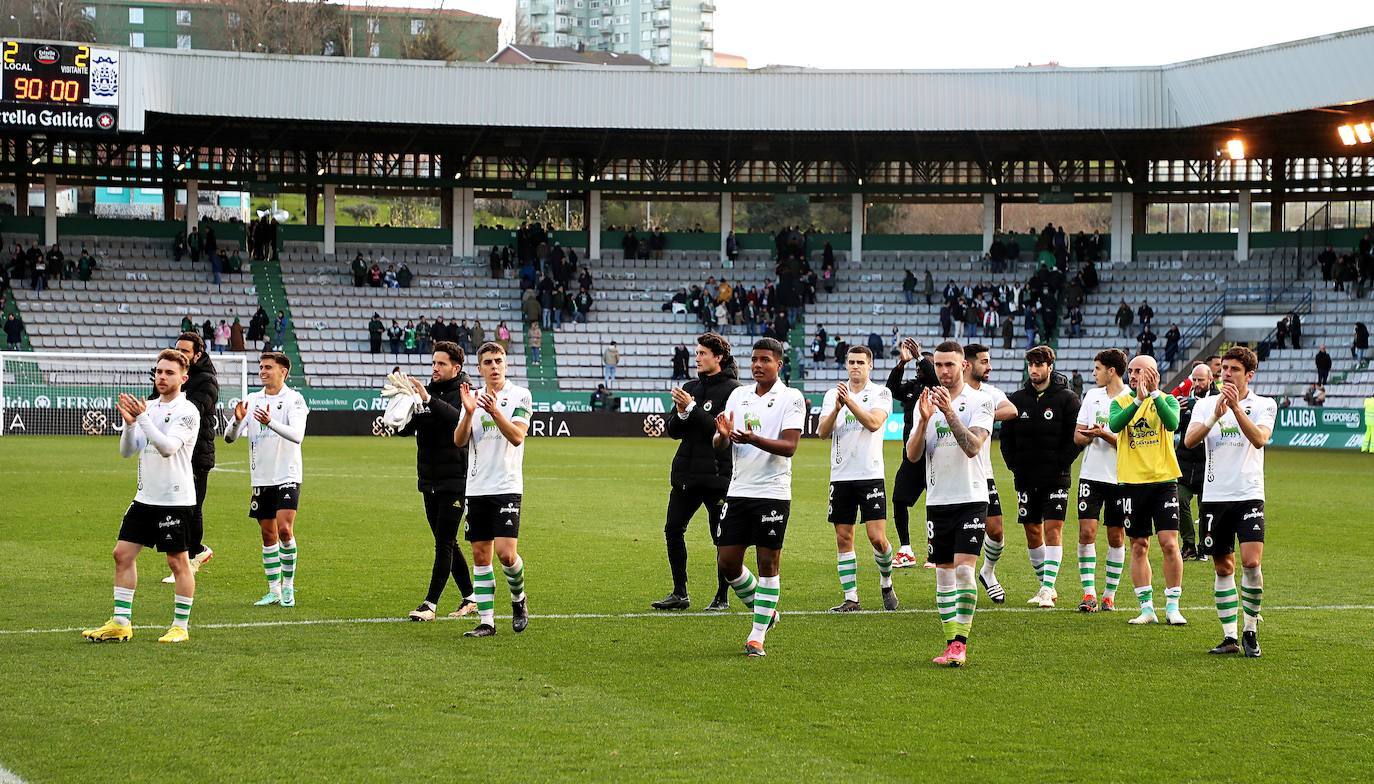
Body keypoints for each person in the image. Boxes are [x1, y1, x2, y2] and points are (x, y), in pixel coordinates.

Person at [82, 350, 201, 644]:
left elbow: (168, 447)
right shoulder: (149, 407)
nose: (162, 377)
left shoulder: (188, 412)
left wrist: (143, 418)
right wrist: (131, 424)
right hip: (145, 497)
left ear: (183, 378)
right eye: (159, 371)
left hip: (175, 499)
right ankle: (121, 623)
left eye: (169, 372)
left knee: (177, 562)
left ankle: (180, 627)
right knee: (121, 555)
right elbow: (127, 450)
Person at [713, 338, 805, 657]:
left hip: (773, 493)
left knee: (767, 562)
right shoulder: (738, 395)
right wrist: (722, 436)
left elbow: (790, 447)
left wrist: (753, 438)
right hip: (739, 490)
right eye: (754, 359)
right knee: (727, 563)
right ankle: (767, 613)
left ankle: (756, 636)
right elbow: (719, 444)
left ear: (778, 364)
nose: (757, 365)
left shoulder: (791, 398)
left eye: (765, 359)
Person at [905, 340, 994, 667]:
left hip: (970, 498)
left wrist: (948, 412)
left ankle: (960, 643)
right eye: (938, 365)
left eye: (949, 365)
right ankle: (949, 643)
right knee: (943, 577)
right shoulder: (925, 402)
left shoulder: (981, 402)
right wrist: (925, 420)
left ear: (963, 366)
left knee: (963, 572)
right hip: (938, 500)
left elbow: (972, 447)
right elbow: (913, 455)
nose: (943, 371)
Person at [1183, 346, 1276, 658]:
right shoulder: (1206, 405)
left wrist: (1236, 409)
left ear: (1249, 374)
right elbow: (1189, 440)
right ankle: (1229, 637)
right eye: (1223, 368)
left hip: (1248, 493)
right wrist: (1214, 415)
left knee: (1251, 561)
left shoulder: (1264, 405)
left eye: (1234, 369)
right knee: (1223, 567)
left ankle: (1250, 628)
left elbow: (1260, 439)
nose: (1226, 374)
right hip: (1215, 496)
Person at [651, 333, 741, 612]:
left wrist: (691, 407)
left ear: (719, 357)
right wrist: (680, 412)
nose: (697, 358)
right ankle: (680, 592)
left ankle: (721, 597)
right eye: (697, 353)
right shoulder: (691, 387)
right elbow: (674, 432)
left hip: (717, 476)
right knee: (672, 530)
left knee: (721, 538)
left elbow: (719, 430)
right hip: (686, 476)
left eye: (703, 353)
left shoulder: (734, 391)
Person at [452, 342, 533, 638]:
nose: (494, 366)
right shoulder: (471, 397)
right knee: (480, 554)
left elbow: (517, 437)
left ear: (507, 364)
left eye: (498, 360)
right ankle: (487, 621)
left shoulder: (520, 395)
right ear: (480, 368)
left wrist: (495, 411)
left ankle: (518, 599)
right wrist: (471, 413)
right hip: (476, 487)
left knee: (505, 554)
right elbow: (460, 440)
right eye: (488, 362)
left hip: (507, 486)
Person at [400, 342, 478, 621]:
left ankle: (429, 604)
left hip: (455, 479)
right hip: (429, 477)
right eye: (433, 363)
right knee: (446, 541)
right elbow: (407, 429)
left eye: (441, 364)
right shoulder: (428, 392)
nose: (435, 368)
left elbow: (458, 419)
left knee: (444, 542)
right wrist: (400, 407)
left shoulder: (465, 393)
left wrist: (427, 400)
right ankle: (471, 597)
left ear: (456, 368)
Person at [818, 345, 899, 613]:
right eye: (851, 362)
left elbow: (874, 423)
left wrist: (849, 403)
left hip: (870, 474)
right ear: (846, 365)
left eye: (861, 362)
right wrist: (836, 408)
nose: (855, 366)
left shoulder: (881, 393)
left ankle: (886, 582)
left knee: (877, 538)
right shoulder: (833, 395)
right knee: (844, 537)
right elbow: (821, 432)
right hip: (841, 476)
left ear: (870, 365)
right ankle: (851, 598)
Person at [224, 352, 309, 608]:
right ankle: (273, 590)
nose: (263, 371)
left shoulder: (294, 400)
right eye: (261, 367)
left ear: (283, 372)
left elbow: (297, 436)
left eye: (268, 367)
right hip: (261, 476)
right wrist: (238, 421)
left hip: (287, 474)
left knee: (284, 529)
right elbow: (229, 438)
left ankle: (288, 587)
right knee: (268, 534)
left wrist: (269, 421)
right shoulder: (252, 399)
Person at [1000, 345, 1081, 608]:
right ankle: (1046, 585)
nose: (1034, 370)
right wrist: (1014, 465)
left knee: (1053, 529)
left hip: (1056, 477)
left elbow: (1075, 439)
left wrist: (1061, 463)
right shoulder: (1017, 399)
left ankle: (1047, 589)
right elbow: (1006, 439)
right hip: (1025, 477)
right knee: (1032, 532)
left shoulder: (1068, 399)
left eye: (1039, 365)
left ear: (1049, 367)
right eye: (1030, 365)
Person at [1109, 354, 1186, 626]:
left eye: (1138, 371)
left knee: (1169, 543)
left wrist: (1153, 395)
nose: (1132, 375)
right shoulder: (1120, 402)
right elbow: (1115, 425)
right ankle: (1146, 608)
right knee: (1139, 545)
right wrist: (1139, 400)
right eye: (1130, 371)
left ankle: (1173, 606)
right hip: (1132, 483)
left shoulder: (1168, 400)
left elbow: (1173, 423)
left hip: (1164, 482)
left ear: (1153, 374)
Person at [155, 332, 219, 585]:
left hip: (197, 452)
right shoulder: (171, 374)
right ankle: (196, 552)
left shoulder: (206, 380)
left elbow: (191, 410)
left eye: (186, 351)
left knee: (191, 507)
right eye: (177, 349)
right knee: (174, 506)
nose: (180, 354)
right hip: (174, 450)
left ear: (197, 355)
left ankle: (190, 558)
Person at [1073, 349, 1129, 612]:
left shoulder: (1131, 399)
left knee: (1116, 536)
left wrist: (1103, 434)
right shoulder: (1092, 396)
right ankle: (1088, 594)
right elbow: (1077, 437)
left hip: (1120, 479)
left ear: (1111, 371)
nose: (1093, 373)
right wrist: (1088, 436)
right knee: (1087, 533)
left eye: (1097, 368)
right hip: (1091, 476)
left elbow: (1132, 446)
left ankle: (1109, 594)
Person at [963, 344, 1019, 603]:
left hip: (983, 473)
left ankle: (988, 571)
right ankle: (958, 583)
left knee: (995, 531)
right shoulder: (954, 393)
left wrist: (982, 416)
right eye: (984, 362)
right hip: (952, 476)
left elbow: (1012, 410)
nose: (990, 366)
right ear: (968, 364)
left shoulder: (989, 392)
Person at [886, 339, 938, 568]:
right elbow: (891, 389)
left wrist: (920, 357)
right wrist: (901, 364)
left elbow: (934, 378)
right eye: (918, 367)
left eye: (923, 366)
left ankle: (937, 552)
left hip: (936, 456)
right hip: (911, 454)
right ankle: (906, 549)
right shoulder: (912, 388)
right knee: (898, 499)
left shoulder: (939, 389)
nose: (919, 370)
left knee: (937, 503)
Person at [1175, 363, 1217, 562]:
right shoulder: (1182, 400)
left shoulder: (1218, 399)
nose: (1198, 383)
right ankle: (1189, 544)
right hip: (1184, 462)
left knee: (1205, 508)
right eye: (1195, 379)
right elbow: (1172, 428)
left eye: (1202, 379)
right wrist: (1177, 412)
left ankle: (1204, 546)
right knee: (1179, 500)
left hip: (1208, 463)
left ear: (1211, 379)